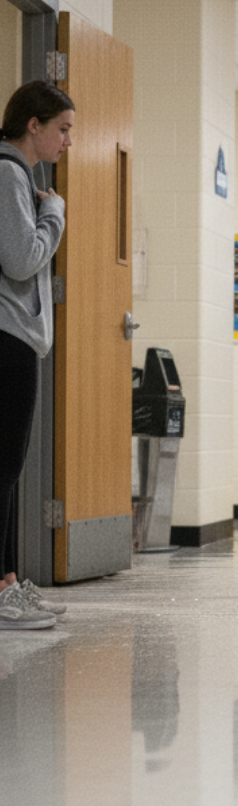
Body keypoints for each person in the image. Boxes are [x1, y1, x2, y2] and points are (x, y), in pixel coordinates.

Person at [0, 81, 75, 629]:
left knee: (8, 467)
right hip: (8, 336)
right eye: (63, 128)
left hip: (17, 336)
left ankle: (7, 582)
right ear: (34, 125)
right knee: (3, 466)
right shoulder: (8, 173)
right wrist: (56, 217)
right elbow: (23, 260)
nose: (67, 141)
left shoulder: (23, 176)